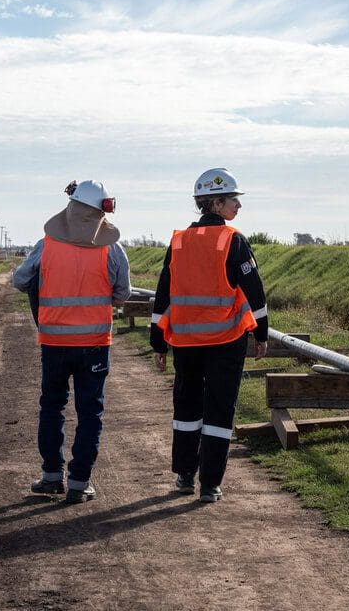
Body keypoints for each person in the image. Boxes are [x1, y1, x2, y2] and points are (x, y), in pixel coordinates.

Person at [150, 168, 268, 503]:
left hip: (185, 343)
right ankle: (210, 484)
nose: (238, 207)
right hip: (226, 342)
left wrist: (158, 340)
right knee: (219, 411)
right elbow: (254, 291)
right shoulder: (233, 240)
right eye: (233, 200)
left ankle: (185, 476)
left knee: (186, 408)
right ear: (216, 203)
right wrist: (261, 333)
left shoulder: (178, 241)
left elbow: (163, 294)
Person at [13, 180, 131, 504]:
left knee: (52, 406)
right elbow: (123, 293)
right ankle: (79, 482)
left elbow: (19, 280)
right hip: (94, 344)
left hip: (53, 344)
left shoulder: (46, 245)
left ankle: (52, 476)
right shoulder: (112, 249)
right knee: (90, 412)